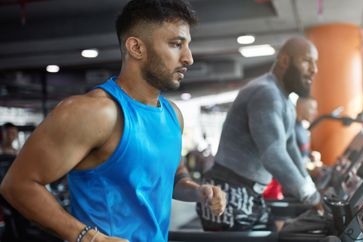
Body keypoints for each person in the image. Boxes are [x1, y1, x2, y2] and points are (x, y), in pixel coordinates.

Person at [0, 1, 226, 242]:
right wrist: (89, 237)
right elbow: (17, 185)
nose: (189, 58)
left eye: (187, 45)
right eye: (176, 44)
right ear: (136, 47)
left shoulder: (172, 114)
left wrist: (197, 191)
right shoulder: (93, 112)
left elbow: (172, 176)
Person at [196, 37, 320, 231]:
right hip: (226, 192)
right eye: (307, 61)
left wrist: (310, 188)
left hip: (249, 192)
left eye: (315, 63)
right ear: (285, 61)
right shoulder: (266, 93)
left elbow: (290, 148)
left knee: (281, 234)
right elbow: (274, 154)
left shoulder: (284, 101)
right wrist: (310, 196)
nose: (314, 69)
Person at [263, 97, 320, 200]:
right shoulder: (291, 127)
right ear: (301, 106)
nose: (315, 113)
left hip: (299, 180)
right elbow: (283, 157)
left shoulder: (302, 128)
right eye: (312, 108)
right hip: (284, 186)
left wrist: (309, 155)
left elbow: (299, 154)